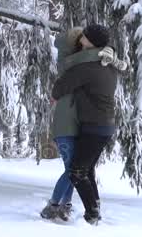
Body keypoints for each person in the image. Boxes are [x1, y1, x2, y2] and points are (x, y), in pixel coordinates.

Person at [40, 26, 123, 221]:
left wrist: (55, 95)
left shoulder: (88, 67)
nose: (82, 37)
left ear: (92, 43)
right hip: (102, 125)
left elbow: (62, 85)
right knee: (86, 170)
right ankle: (93, 208)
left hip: (94, 126)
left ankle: (91, 212)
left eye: (85, 36)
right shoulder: (105, 63)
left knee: (77, 171)